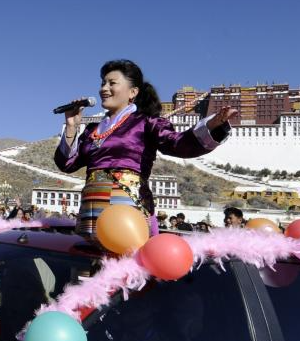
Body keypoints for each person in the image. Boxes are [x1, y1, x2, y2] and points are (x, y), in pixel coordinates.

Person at [54, 59, 236, 241]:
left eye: (112, 83)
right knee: (86, 258)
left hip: (129, 213)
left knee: (127, 257)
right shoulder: (92, 130)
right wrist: (71, 125)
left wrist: (212, 126)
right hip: (91, 217)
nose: (104, 89)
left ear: (133, 92)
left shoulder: (146, 122)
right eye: (102, 83)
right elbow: (67, 164)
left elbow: (179, 144)